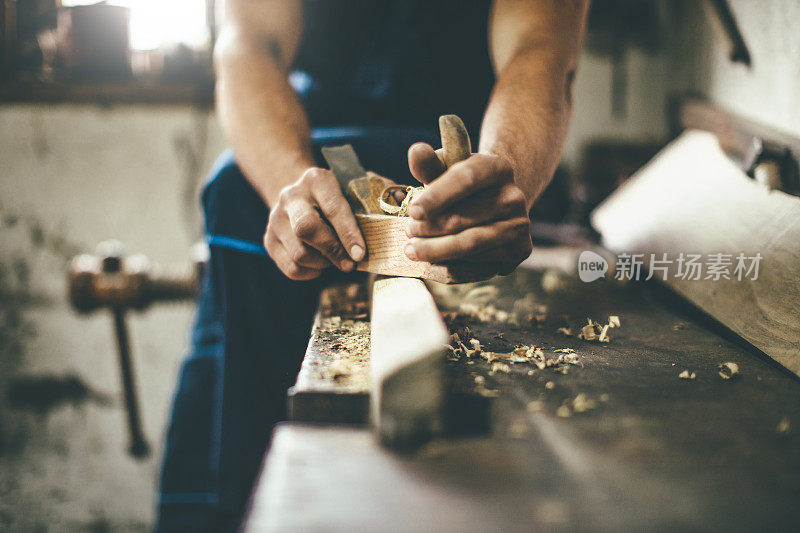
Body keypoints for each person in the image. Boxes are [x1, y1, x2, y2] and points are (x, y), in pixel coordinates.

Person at [156, 0, 588, 530]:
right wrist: (288, 184)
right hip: (308, 161)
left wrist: (505, 176)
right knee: (211, 475)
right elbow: (248, 45)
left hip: (462, 168)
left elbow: (539, 52)